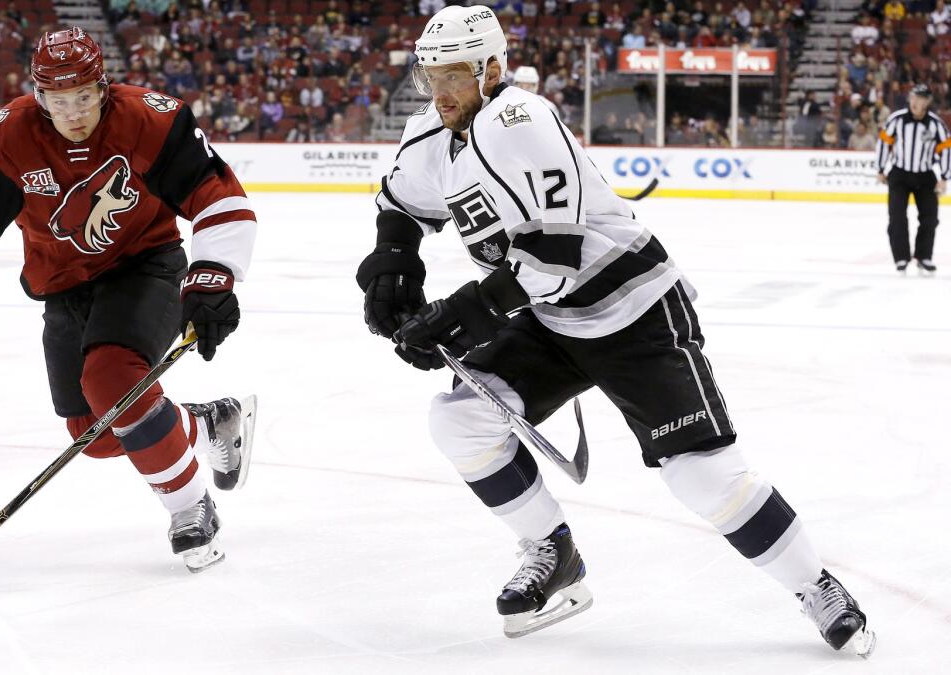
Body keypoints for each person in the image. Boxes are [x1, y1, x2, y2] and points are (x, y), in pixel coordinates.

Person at [356, 5, 875, 655]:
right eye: (431, 74)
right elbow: (402, 204)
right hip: (550, 317)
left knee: (702, 475)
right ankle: (553, 550)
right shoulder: (430, 131)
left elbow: (553, 253)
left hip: (634, 308)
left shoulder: (521, 120)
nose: (440, 90)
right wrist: (393, 268)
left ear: (492, 68)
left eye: (454, 74)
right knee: (458, 420)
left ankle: (815, 584)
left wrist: (463, 314)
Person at [0, 28, 258, 572]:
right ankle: (205, 423)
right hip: (63, 285)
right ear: (39, 96)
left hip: (145, 265)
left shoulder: (151, 119)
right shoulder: (7, 136)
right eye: (59, 101)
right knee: (92, 434)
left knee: (111, 379)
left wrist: (214, 273)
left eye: (84, 97)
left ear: (103, 86)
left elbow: (216, 193)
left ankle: (190, 508)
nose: (73, 112)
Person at [876, 83, 949, 274]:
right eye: (912, 98)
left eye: (920, 99)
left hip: (925, 176)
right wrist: (881, 168)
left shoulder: (936, 124)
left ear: (927, 102)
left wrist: (944, 177)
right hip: (900, 174)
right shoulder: (897, 119)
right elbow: (884, 143)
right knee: (897, 217)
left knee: (930, 218)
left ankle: (923, 256)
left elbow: (946, 150)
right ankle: (901, 258)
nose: (915, 102)